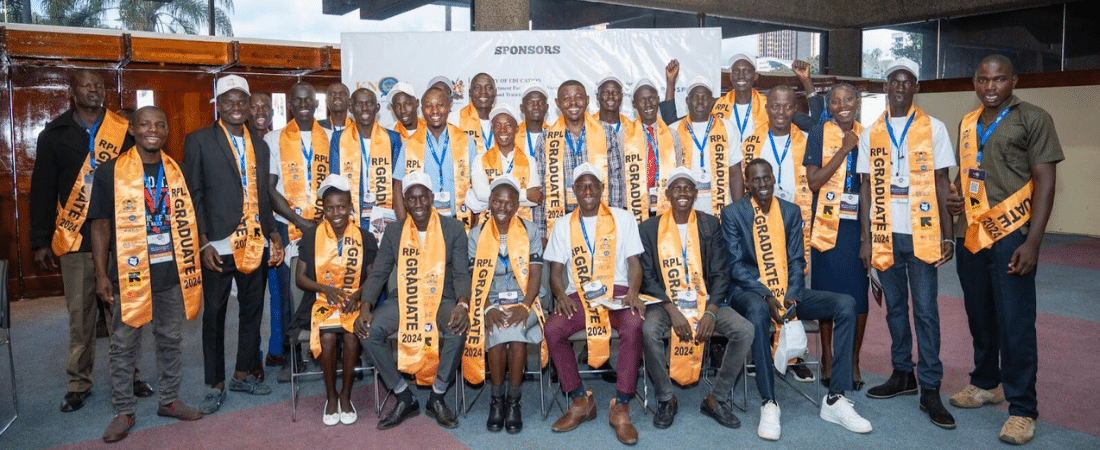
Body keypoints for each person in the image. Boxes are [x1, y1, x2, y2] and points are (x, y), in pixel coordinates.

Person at [945, 54, 1063, 445]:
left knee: (1014, 321)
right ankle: (985, 382)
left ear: (1014, 81)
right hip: (971, 233)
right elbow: (967, 172)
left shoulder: (1034, 118)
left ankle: (1023, 408)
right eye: (982, 80)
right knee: (979, 314)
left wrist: (1033, 241)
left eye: (998, 80)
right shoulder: (967, 122)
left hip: (1012, 235)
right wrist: (957, 199)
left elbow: (1045, 183)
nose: (989, 87)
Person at [30, 69, 151, 413]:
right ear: (73, 91)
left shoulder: (123, 131)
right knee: (80, 317)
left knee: (127, 313)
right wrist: (40, 240)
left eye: (99, 85)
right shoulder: (54, 134)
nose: (94, 90)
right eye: (87, 84)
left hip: (122, 236)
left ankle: (131, 375)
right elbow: (41, 189)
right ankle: (78, 382)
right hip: (75, 239)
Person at [724, 159, 872, 441]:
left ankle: (835, 398)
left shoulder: (790, 212)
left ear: (773, 178)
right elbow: (735, 266)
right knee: (756, 310)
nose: (763, 184)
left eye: (766, 178)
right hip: (750, 292)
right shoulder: (733, 214)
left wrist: (791, 294)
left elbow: (796, 260)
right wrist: (767, 295)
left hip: (789, 293)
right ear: (746, 183)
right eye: (755, 180)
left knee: (846, 304)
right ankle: (769, 401)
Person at [89, 106, 204, 442]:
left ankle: (168, 401)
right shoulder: (110, 172)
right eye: (145, 124)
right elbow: (100, 224)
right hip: (130, 272)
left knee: (171, 338)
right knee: (124, 343)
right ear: (133, 130)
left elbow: (188, 223)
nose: (152, 130)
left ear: (166, 130)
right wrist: (100, 274)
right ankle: (124, 410)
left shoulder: (177, 171)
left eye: (159, 125)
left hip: (171, 271)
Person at [856, 59, 957, 429]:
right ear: (886, 87)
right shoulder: (873, 131)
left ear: (916, 87)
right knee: (895, 308)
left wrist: (949, 233)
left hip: (923, 232)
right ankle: (903, 373)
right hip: (885, 234)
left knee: (926, 311)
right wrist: (866, 238)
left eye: (906, 82)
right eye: (893, 82)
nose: (899, 87)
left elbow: (943, 182)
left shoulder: (934, 128)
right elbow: (865, 186)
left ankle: (930, 386)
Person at [183, 75, 284, 414]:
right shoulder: (198, 141)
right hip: (218, 244)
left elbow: (262, 196)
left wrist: (272, 233)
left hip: (254, 242)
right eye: (229, 100)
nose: (236, 106)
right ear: (218, 104)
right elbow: (192, 194)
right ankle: (215, 383)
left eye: (242, 99)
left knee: (253, 311)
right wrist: (201, 242)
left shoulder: (260, 145)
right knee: (214, 314)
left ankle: (243, 372)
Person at [355, 171, 471, 430]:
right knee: (367, 331)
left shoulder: (453, 228)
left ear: (431, 198)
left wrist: (463, 305)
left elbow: (463, 273)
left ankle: (437, 396)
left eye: (423, 198)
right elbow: (379, 273)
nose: (418, 205)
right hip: (404, 301)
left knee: (457, 328)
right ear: (405, 202)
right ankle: (403, 396)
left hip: (442, 298)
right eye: (412, 199)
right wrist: (365, 307)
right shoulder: (395, 231)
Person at [639, 167, 753, 430]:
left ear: (695, 193)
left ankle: (717, 398)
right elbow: (647, 276)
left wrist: (711, 311)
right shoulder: (649, 228)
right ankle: (666, 399)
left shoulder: (709, 224)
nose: (682, 193)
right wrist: (672, 310)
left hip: (704, 301)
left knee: (744, 330)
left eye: (688, 187)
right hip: (664, 303)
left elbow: (721, 273)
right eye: (676, 188)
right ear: (667, 194)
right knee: (648, 331)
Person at [543, 163, 645, 445]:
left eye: (593, 185)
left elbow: (634, 264)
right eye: (581, 186)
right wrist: (561, 295)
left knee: (634, 325)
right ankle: (579, 400)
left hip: (618, 292)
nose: (587, 191)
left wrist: (634, 292)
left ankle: (621, 405)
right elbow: (555, 271)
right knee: (553, 329)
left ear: (602, 189)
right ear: (574, 191)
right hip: (580, 295)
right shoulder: (563, 225)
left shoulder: (623, 218)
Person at [292, 175, 378, 426]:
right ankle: (331, 397)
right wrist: (324, 289)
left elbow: (374, 276)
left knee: (352, 336)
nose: (336, 213)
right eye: (329, 208)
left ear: (351, 207)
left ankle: (346, 395)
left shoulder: (365, 237)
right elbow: (300, 278)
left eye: (341, 207)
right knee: (328, 338)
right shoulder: (312, 236)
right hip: (321, 301)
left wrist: (359, 294)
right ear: (323, 210)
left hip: (354, 301)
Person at [465, 175, 545, 434]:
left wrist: (524, 305)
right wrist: (487, 307)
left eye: (509, 203)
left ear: (517, 206)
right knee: (497, 329)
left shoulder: (530, 231)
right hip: (490, 299)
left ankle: (513, 401)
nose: (503, 208)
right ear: (489, 202)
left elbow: (534, 275)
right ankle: (497, 399)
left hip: (527, 297)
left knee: (516, 328)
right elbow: (474, 278)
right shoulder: (476, 235)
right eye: (497, 202)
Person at [804, 83, 869, 390]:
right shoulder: (818, 134)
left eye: (849, 99)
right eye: (837, 101)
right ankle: (829, 359)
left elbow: (870, 186)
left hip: (856, 226)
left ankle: (853, 360)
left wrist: (868, 237)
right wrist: (844, 148)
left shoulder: (869, 135)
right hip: (827, 225)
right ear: (829, 107)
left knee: (858, 295)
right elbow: (814, 182)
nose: (843, 105)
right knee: (826, 293)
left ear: (856, 102)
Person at [264, 81, 330, 383]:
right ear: (290, 104)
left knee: (325, 286)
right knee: (290, 294)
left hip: (327, 227)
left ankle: (326, 351)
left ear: (316, 103)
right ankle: (292, 357)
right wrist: (300, 222)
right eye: (297, 100)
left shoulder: (330, 137)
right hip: (289, 226)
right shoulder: (274, 138)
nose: (303, 104)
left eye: (308, 98)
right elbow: (269, 187)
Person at [534, 80, 626, 237]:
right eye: (566, 98)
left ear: (588, 100)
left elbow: (616, 181)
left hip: (600, 218)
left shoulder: (605, 132)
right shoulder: (546, 138)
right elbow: (541, 187)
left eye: (578, 97)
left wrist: (615, 219)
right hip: (561, 220)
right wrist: (542, 233)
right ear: (557, 103)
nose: (573, 103)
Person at [393, 87, 478, 228]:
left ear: (449, 107)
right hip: (422, 223)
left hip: (459, 220)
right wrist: (402, 224)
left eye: (440, 105)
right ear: (421, 109)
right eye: (428, 106)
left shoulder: (465, 141)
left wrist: (475, 225)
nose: (435, 111)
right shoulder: (411, 143)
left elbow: (476, 184)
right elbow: (398, 186)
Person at [670, 77, 744, 216]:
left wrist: (738, 211)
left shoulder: (728, 128)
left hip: (721, 203)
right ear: (687, 101)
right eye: (695, 97)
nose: (700, 101)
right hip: (684, 204)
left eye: (705, 97)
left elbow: (735, 173)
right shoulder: (673, 130)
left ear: (712, 101)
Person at [337, 87, 403, 232]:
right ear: (350, 107)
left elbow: (398, 182)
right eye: (359, 104)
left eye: (369, 103)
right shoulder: (339, 139)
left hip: (384, 212)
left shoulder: (393, 138)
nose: (365, 108)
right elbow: (336, 181)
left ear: (377, 107)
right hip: (351, 213)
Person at [623, 79, 684, 221]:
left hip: (666, 205)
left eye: (651, 98)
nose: (648, 104)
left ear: (658, 100)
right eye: (642, 100)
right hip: (634, 207)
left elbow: (679, 171)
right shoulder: (623, 136)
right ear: (634, 104)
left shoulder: (673, 134)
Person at [319, 82, 353, 176]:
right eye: (332, 93)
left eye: (342, 93)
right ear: (326, 101)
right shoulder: (316, 127)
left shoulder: (358, 127)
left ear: (350, 101)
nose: (337, 97)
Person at [458, 73, 497, 154]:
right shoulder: (455, 119)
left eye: (488, 88)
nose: (483, 92)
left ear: (495, 92)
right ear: (470, 92)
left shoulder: (503, 119)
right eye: (477, 88)